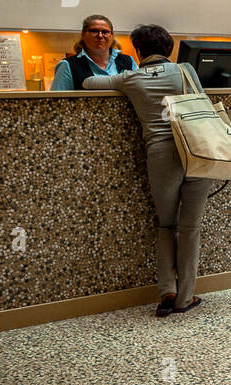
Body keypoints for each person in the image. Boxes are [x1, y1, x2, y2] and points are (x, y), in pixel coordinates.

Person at [83, 25, 209, 316]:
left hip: (162, 156)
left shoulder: (131, 78)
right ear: (169, 50)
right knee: (190, 227)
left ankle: (167, 291)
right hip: (199, 149)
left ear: (138, 51)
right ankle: (186, 298)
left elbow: (89, 83)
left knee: (167, 224)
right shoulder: (186, 70)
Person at [50, 15, 136, 90]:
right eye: (94, 31)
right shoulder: (67, 66)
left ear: (112, 35)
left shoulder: (129, 62)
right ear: (83, 35)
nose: (100, 35)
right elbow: (56, 102)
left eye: (105, 32)